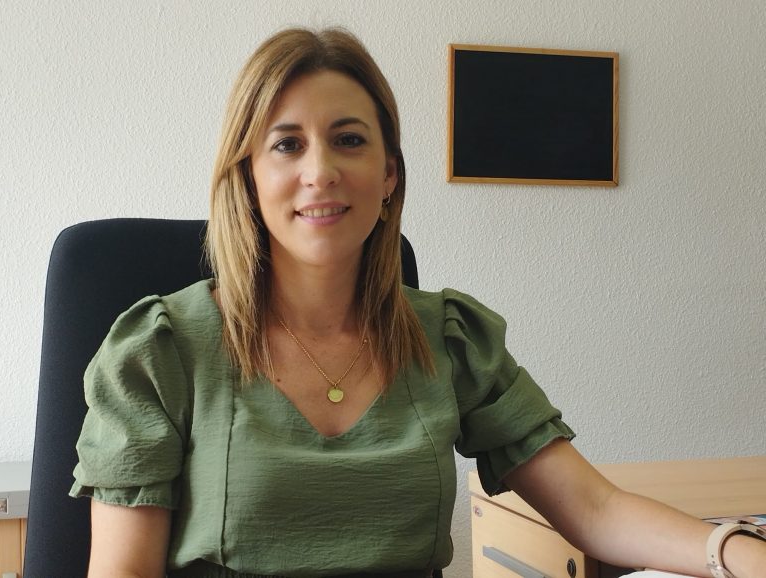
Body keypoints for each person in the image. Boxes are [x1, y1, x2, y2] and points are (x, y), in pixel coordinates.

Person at [70, 27, 766, 578]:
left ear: (389, 176)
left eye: (349, 140)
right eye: (287, 145)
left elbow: (595, 508)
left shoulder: (451, 340)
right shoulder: (161, 351)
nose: (321, 171)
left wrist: (737, 554)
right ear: (249, 178)